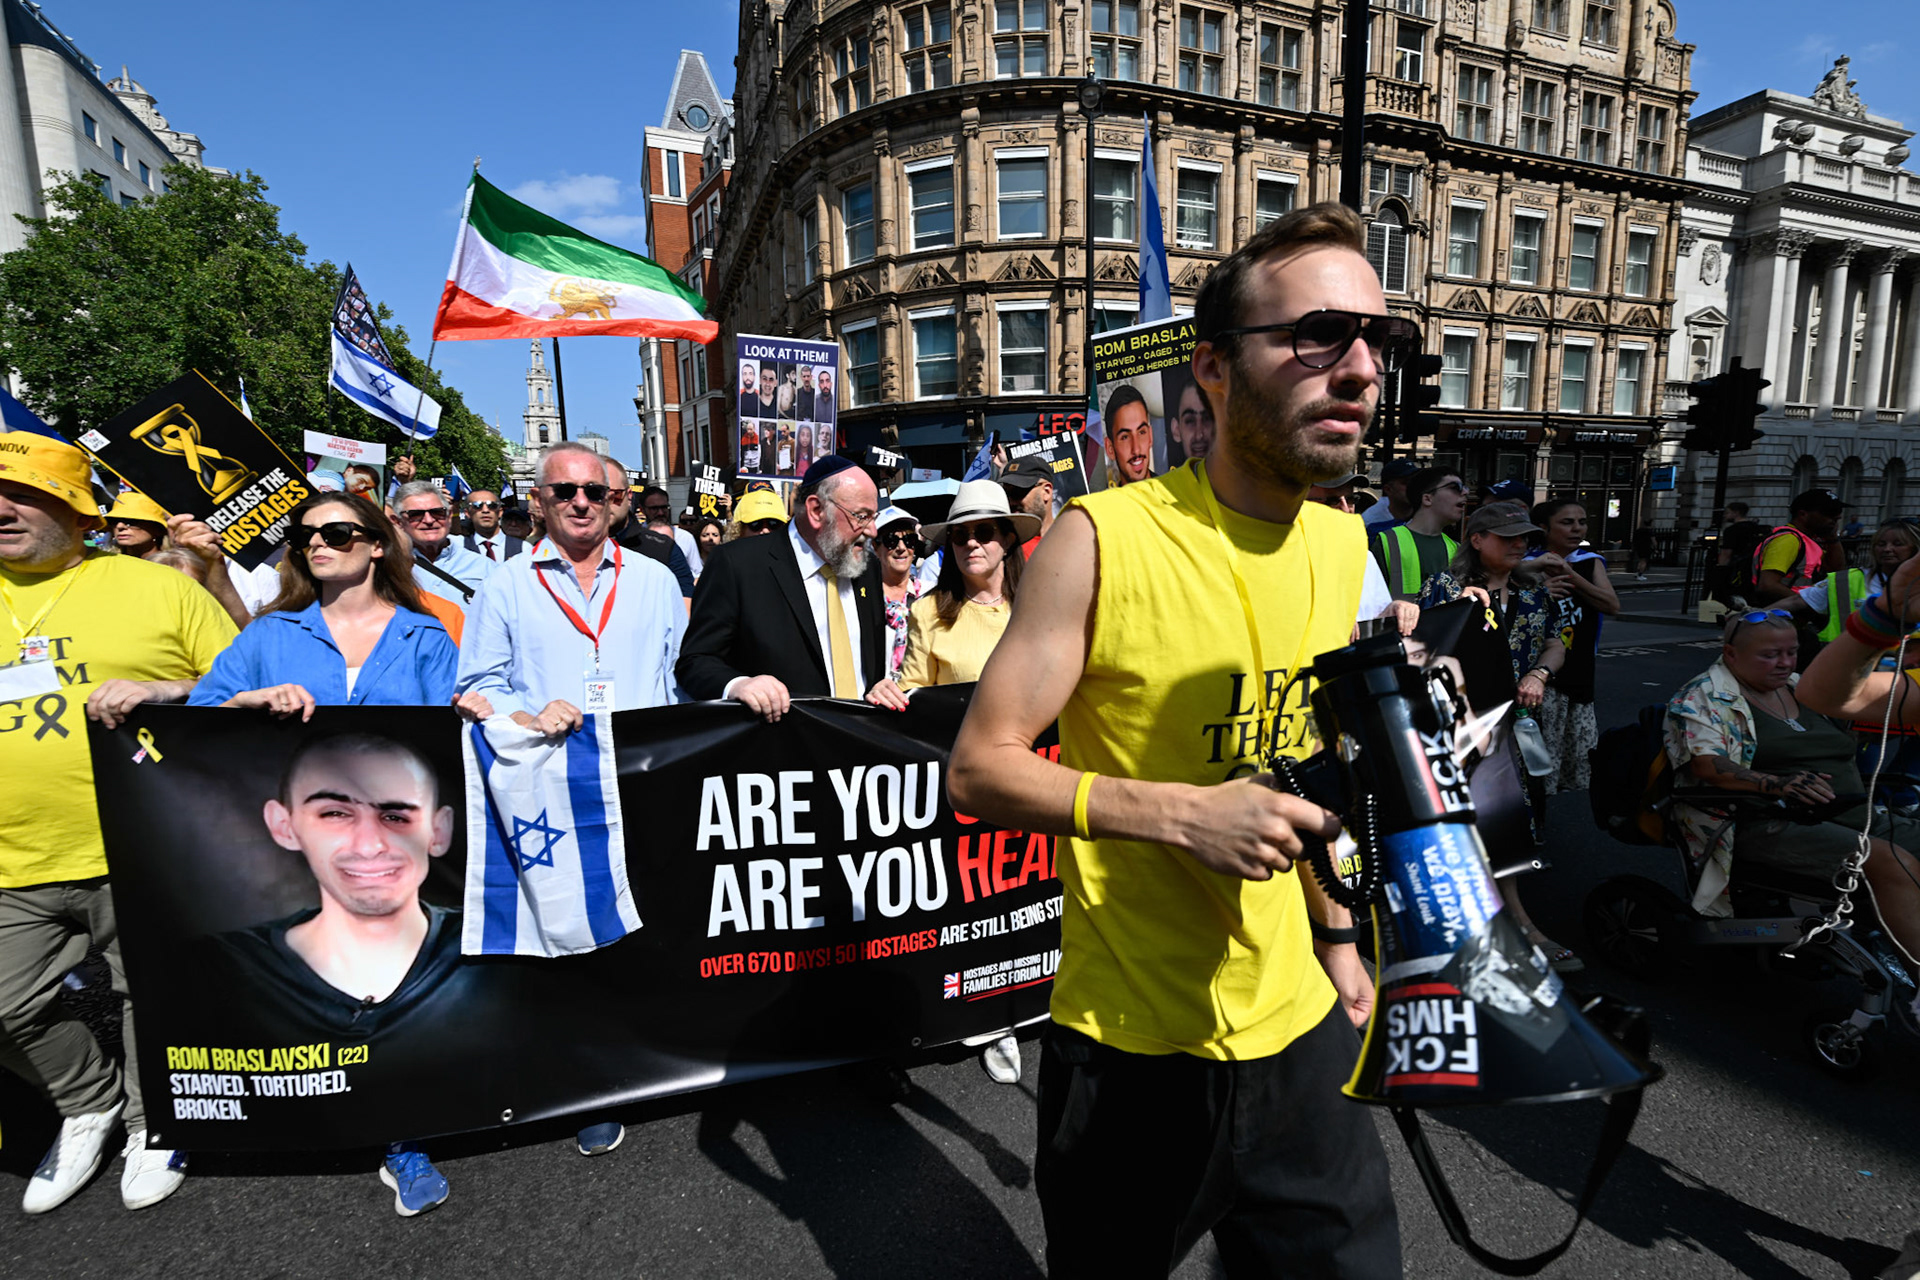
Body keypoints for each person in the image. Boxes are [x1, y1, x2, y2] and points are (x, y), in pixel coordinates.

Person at [946, 202, 1402, 1277]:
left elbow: (1315, 775)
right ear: (1213, 367)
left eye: (1380, 339)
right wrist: (1183, 813)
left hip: (1300, 1035)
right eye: (1317, 334)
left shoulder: (1349, 551)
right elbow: (979, 764)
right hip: (1130, 1052)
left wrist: (1339, 939)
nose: (1360, 368)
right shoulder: (1099, 539)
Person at [0, 433, 236, 1213]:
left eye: (25, 492)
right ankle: (85, 1103)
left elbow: (246, 691)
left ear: (76, 508)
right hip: (11, 861)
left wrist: (172, 690)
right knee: (8, 1004)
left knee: (152, 995)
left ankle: (152, 1121)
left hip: (140, 846)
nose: (4, 508)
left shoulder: (158, 590)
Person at [455, 440, 687, 1158]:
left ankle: (657, 1056)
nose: (582, 502)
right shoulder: (504, 587)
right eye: (565, 493)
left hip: (647, 778)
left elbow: (684, 674)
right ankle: (594, 1080)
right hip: (558, 785)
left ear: (614, 500)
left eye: (595, 491)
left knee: (651, 921)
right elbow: (475, 688)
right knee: (572, 941)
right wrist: (523, 716)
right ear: (538, 503)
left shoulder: (652, 579)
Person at [192, 733, 466, 1216]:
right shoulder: (222, 968)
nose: (369, 845)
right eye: (335, 814)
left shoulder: (488, 949)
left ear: (438, 830)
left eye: (397, 815)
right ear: (284, 824)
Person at [1681, 611, 1920, 971]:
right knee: (1886, 860)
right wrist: (1777, 783)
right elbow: (1707, 764)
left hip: (1852, 812)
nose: (1784, 663)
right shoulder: (1704, 697)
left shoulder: (1799, 685)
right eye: (1770, 655)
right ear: (1731, 653)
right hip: (1768, 822)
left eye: (1791, 652)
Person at [1417, 501, 1578, 971]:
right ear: (1476, 539)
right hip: (1460, 728)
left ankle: (1505, 920)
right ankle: (1501, 924)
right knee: (1466, 820)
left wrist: (1540, 675)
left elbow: (1555, 640)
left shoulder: (1533, 591)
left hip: (1515, 725)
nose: (1518, 544)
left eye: (1523, 536)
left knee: (1510, 816)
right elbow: (1424, 650)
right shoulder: (1445, 588)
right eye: (1506, 536)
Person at [188, 493, 459, 714]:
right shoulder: (267, 633)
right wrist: (240, 703)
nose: (317, 542)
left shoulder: (425, 636)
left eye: (336, 533)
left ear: (377, 546)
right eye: (304, 535)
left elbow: (450, 737)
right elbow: (195, 719)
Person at [679, 455, 891, 720]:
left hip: (860, 745)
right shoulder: (738, 565)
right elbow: (695, 661)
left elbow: (869, 666)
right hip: (782, 749)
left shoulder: (866, 567)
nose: (872, 530)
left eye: (874, 516)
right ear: (816, 510)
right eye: (861, 516)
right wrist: (738, 685)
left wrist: (878, 687)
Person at [1527, 499, 1620, 793]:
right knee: (1536, 753)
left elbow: (1611, 605)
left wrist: (1572, 575)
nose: (1576, 528)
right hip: (1539, 671)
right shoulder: (1527, 562)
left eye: (1581, 521)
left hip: (1578, 669)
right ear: (1544, 528)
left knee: (1571, 753)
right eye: (1567, 522)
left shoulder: (1590, 561)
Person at [1789, 519, 1920, 643]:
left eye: (1898, 544)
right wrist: (1768, 616)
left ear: (1915, 549)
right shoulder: (1846, 580)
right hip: (1849, 660)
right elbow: (1796, 602)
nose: (1887, 549)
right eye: (1881, 544)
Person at [390, 481, 494, 610]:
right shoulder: (387, 569)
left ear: (449, 516)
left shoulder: (485, 568)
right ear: (398, 522)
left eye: (437, 512)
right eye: (415, 514)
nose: (429, 520)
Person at [1370, 466, 1465, 600]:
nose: (1465, 492)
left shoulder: (1455, 548)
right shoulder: (1388, 542)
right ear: (1427, 499)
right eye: (1455, 488)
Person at [605, 460, 694, 600]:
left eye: (614, 495)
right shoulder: (570, 549)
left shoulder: (664, 548)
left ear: (629, 496)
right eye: (594, 494)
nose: (605, 502)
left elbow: (685, 603)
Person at [1752, 488, 1847, 604]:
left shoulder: (1807, 540)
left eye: (1837, 513)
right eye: (1829, 513)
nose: (1837, 517)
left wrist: (1832, 538)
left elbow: (1837, 571)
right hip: (1777, 615)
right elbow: (1767, 585)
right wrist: (1809, 605)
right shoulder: (1788, 540)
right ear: (1803, 514)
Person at [872, 507, 926, 682]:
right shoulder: (862, 598)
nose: (901, 548)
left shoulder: (930, 595)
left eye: (909, 540)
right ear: (875, 547)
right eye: (891, 541)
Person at [998, 455, 1056, 558]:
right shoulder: (1002, 547)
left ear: (1046, 492)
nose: (1011, 501)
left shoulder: (1072, 540)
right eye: (1006, 493)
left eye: (1018, 491)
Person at [641, 485, 702, 577]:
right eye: (654, 508)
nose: (660, 513)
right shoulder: (636, 537)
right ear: (642, 510)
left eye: (664, 507)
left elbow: (697, 573)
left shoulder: (685, 537)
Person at [1104, 384, 1155, 486]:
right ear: (1110, 448)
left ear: (1150, 436)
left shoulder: (1174, 492)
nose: (1136, 450)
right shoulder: (1108, 502)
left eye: (1141, 432)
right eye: (1125, 437)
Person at [460, 490, 524, 563]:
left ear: (500, 512)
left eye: (492, 505)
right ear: (467, 513)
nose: (485, 510)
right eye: (477, 506)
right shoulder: (459, 547)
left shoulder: (523, 548)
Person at [1360, 456, 1418, 529]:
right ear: (1388, 489)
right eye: (1406, 482)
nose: (1413, 486)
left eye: (1416, 481)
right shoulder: (1370, 521)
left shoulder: (1429, 513)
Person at [1169, 379, 1216, 466]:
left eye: (1207, 418)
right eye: (1190, 421)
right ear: (1176, 430)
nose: (1199, 435)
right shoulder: (1163, 480)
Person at [725, 488, 790, 542]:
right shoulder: (726, 556)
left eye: (773, 524)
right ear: (739, 530)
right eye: (756, 524)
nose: (765, 531)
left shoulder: (792, 556)